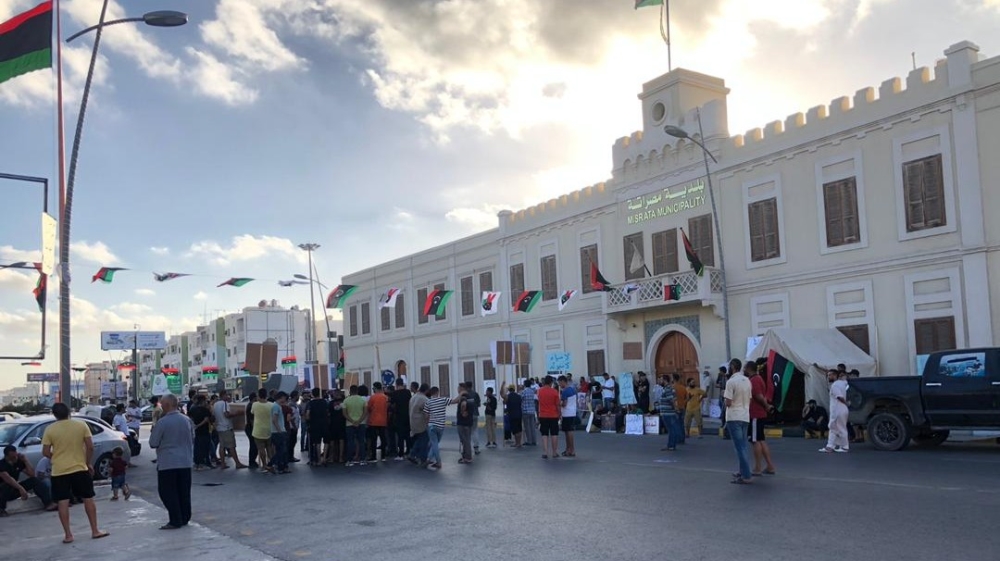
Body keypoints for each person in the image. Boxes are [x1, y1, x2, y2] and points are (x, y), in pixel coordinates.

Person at [41, 402, 108, 543]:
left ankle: (68, 535)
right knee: (88, 498)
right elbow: (90, 447)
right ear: (69, 412)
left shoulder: (50, 429)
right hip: (79, 468)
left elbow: (45, 452)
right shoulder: (81, 425)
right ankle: (95, 530)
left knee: (63, 502)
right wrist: (87, 462)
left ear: (54, 415)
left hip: (59, 471)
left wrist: (57, 457)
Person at [149, 394, 194, 530]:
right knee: (183, 491)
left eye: (162, 404)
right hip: (185, 461)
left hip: (168, 463)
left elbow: (153, 442)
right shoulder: (187, 420)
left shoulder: (163, 422)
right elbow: (193, 437)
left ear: (167, 405)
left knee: (167, 492)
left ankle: (175, 519)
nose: (161, 406)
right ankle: (185, 517)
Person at [1, 444, 55, 515]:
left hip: (14, 489)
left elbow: (32, 474)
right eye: (13, 457)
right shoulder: (2, 464)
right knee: (5, 485)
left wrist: (25, 461)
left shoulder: (18, 462)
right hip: (3, 490)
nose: (15, 458)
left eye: (16, 456)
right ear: (7, 456)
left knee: (34, 480)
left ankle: (48, 503)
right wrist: (21, 488)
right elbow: (8, 479)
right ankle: (1, 509)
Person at [723, 363, 753, 485]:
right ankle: (742, 470)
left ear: (732, 367)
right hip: (745, 415)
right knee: (743, 446)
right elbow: (750, 399)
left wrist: (725, 401)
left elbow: (728, 402)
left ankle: (746, 475)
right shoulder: (747, 381)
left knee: (739, 447)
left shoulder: (731, 382)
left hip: (734, 416)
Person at [747, 362, 777, 476]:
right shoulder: (758, 379)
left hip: (755, 414)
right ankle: (770, 466)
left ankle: (758, 467)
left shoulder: (754, 380)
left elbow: (758, 395)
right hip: (759, 414)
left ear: (749, 369)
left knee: (755, 441)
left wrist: (766, 406)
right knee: (760, 440)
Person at [213, 390, 246, 469]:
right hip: (227, 427)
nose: (228, 397)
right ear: (223, 395)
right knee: (231, 446)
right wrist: (237, 413)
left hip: (219, 427)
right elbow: (226, 414)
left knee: (222, 446)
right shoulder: (225, 403)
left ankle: (223, 463)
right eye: (227, 395)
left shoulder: (215, 404)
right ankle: (237, 463)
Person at [821, 370, 851, 453]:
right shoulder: (842, 383)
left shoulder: (835, 386)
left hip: (838, 410)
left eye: (830, 375)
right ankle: (831, 446)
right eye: (828, 375)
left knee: (838, 428)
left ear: (835, 375)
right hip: (841, 410)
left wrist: (846, 403)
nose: (828, 377)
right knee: (834, 428)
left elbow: (839, 397)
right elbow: (845, 382)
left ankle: (844, 447)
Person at [536, 376, 561, 460]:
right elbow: (557, 405)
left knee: (544, 434)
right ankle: (554, 452)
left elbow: (538, 402)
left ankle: (545, 452)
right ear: (551, 383)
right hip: (553, 415)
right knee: (554, 434)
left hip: (543, 415)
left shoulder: (539, 391)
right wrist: (559, 414)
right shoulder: (555, 392)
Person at [343, 385, 368, 466]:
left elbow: (344, 413)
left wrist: (352, 421)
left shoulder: (346, 400)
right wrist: (359, 421)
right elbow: (365, 412)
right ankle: (363, 460)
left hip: (349, 424)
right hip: (361, 423)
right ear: (357, 391)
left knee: (350, 442)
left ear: (350, 391)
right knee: (361, 441)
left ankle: (349, 460)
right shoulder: (363, 400)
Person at [250, 388, 274, 473]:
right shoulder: (271, 405)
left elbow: (252, 413)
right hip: (269, 429)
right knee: (269, 448)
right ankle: (271, 464)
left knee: (261, 449)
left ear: (258, 395)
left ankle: (264, 465)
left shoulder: (255, 404)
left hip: (258, 430)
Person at [187, 395, 212, 470]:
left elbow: (190, 418)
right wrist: (198, 425)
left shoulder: (193, 409)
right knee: (205, 447)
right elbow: (206, 420)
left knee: (197, 447)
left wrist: (194, 425)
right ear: (203, 401)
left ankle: (197, 463)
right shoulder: (205, 410)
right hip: (204, 431)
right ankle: (204, 463)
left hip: (196, 432)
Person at [305, 388, 329, 466]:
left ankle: (319, 460)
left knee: (317, 442)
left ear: (312, 394)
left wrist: (309, 421)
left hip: (314, 424)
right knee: (326, 441)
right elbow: (328, 412)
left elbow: (307, 415)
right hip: (325, 424)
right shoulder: (325, 402)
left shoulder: (310, 403)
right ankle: (324, 458)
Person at [390, 379, 412, 460]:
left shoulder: (395, 393)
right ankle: (409, 451)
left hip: (399, 416)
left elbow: (392, 405)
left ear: (396, 384)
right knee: (407, 435)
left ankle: (401, 454)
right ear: (403, 384)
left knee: (400, 436)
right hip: (407, 416)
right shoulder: (408, 392)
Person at [407, 384, 429, 465]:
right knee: (424, 440)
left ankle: (413, 454)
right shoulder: (425, 399)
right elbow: (427, 413)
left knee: (420, 439)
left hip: (413, 421)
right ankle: (422, 458)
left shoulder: (414, 397)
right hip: (421, 423)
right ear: (426, 390)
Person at [656, 377, 680, 451]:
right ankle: (671, 445)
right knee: (672, 429)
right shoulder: (668, 388)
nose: (659, 381)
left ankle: (671, 445)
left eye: (660, 380)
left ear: (665, 380)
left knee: (671, 429)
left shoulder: (668, 389)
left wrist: (676, 409)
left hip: (668, 413)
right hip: (668, 412)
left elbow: (672, 400)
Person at [558, 376, 577, 457]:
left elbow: (564, 403)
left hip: (567, 413)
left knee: (568, 432)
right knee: (569, 431)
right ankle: (568, 449)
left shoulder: (565, 391)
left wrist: (559, 404)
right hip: (572, 412)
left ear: (563, 381)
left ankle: (571, 450)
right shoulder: (572, 389)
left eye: (559, 383)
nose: (559, 385)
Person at [455, 384, 475, 464]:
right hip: (469, 421)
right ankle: (466, 456)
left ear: (462, 388)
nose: (458, 389)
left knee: (465, 441)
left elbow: (463, 404)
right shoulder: (470, 397)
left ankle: (467, 457)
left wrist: (462, 412)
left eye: (458, 388)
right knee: (467, 440)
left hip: (463, 422)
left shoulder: (463, 397)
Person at [244, 392, 259, 469]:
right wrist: (255, 428)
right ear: (254, 398)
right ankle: (252, 461)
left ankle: (252, 461)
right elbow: (251, 420)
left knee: (254, 445)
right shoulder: (251, 406)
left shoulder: (250, 405)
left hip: (249, 428)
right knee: (254, 445)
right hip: (251, 428)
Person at [520, 381, 538, 447]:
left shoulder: (524, 391)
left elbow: (521, 399)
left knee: (527, 427)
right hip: (532, 411)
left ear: (525, 385)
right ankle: (534, 440)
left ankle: (529, 441)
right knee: (532, 426)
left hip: (525, 410)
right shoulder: (532, 391)